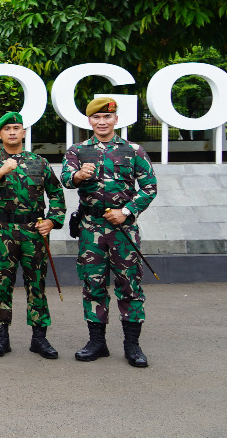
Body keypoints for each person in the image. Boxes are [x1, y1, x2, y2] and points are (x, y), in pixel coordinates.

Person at [61, 98, 158, 368]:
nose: (101, 122)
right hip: (91, 230)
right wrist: (79, 175)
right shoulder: (77, 151)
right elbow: (66, 180)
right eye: (96, 118)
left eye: (107, 117)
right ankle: (97, 342)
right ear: (89, 121)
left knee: (130, 285)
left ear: (116, 119)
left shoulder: (133, 150)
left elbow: (149, 187)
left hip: (123, 229)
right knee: (93, 285)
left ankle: (132, 345)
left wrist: (126, 212)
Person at [0, 111, 66, 359]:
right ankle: (1, 337)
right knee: (2, 283)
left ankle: (39, 338)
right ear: (0, 134)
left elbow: (56, 193)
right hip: (3, 231)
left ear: (23, 133)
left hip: (34, 232)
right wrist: (0, 172)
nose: (12, 132)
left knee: (36, 284)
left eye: (17, 128)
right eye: (7, 129)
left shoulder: (39, 162)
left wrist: (53, 220)